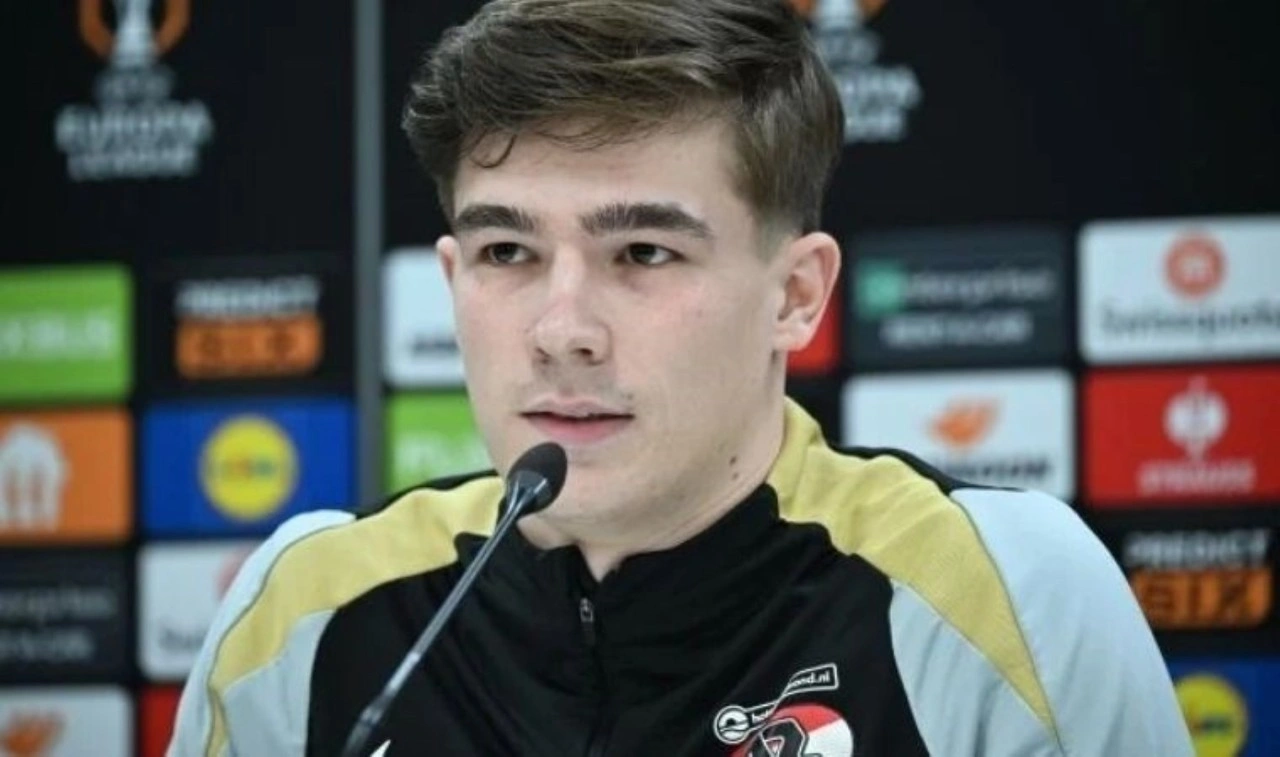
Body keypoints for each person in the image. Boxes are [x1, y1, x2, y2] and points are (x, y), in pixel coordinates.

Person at [168, 1, 1194, 754]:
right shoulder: (305, 610)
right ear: (452, 281)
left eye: (644, 253)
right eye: (506, 252)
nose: (562, 331)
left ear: (796, 294)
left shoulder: (997, 592)